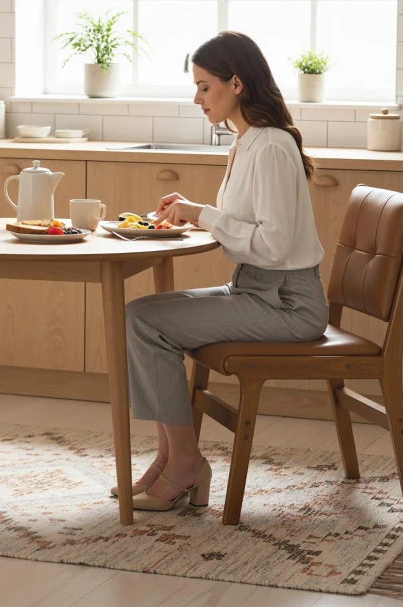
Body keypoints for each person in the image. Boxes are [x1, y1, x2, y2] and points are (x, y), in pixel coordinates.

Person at [122, 31, 328, 511]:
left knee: (148, 322)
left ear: (236, 83)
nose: (197, 98)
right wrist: (193, 212)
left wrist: (201, 213)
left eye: (204, 87)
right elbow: (247, 228)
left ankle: (184, 466)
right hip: (256, 291)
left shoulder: (272, 147)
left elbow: (273, 246)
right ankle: (171, 457)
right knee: (139, 314)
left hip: (287, 305)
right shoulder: (245, 143)